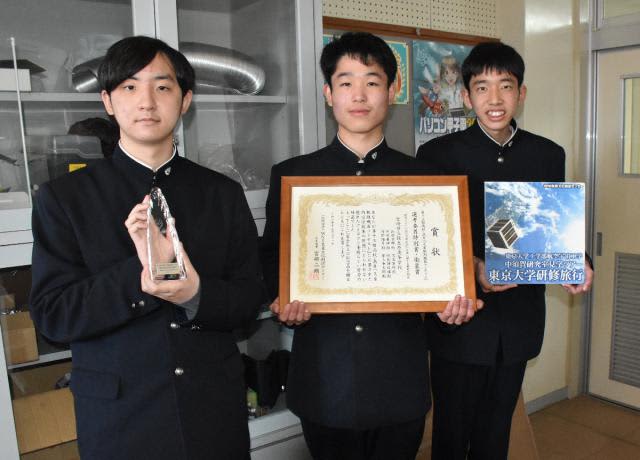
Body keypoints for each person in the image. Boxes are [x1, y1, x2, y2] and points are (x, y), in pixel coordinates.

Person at [29, 36, 264, 460]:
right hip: (121, 419)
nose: (146, 102)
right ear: (107, 100)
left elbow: (249, 301)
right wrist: (139, 278)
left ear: (185, 100)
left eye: (163, 86)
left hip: (213, 411)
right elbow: (53, 317)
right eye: (129, 87)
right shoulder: (64, 198)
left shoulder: (222, 194)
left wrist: (195, 294)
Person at [260, 32, 481, 460]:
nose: (359, 95)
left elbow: (445, 271)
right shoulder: (294, 176)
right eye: (345, 82)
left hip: (399, 378)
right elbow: (272, 255)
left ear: (393, 90)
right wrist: (281, 299)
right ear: (328, 93)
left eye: (372, 82)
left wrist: (449, 308)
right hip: (324, 377)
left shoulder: (427, 180)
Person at [416, 41, 594, 460]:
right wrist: (474, 267)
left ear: (521, 93)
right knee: (450, 434)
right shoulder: (438, 155)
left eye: (506, 86)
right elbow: (428, 239)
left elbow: (553, 223)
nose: (494, 99)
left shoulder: (547, 153)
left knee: (497, 432)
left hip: (518, 321)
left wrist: (577, 261)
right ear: (466, 96)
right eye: (482, 87)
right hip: (460, 321)